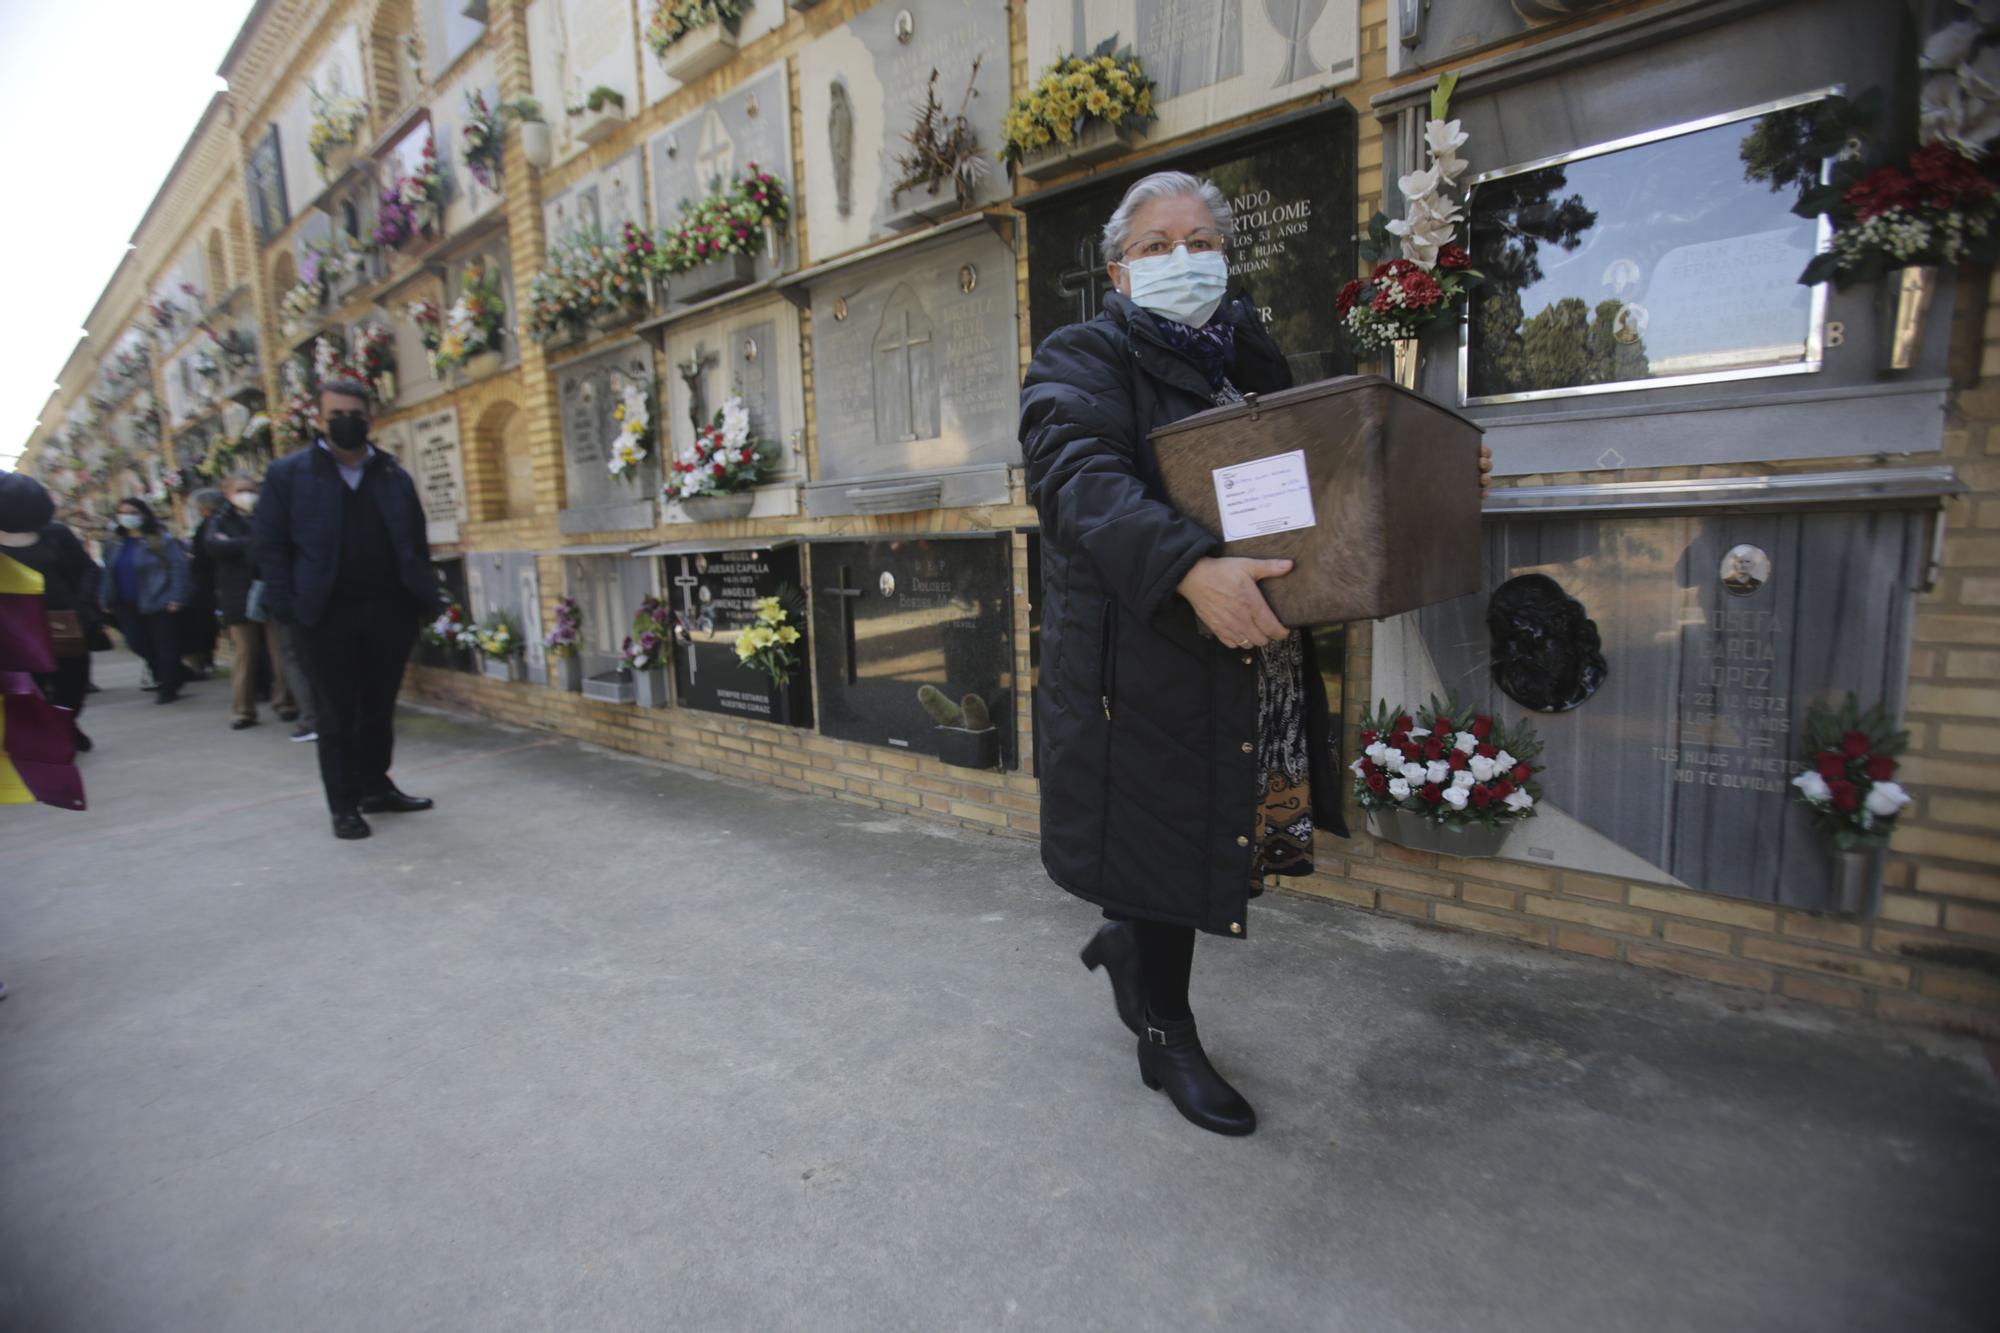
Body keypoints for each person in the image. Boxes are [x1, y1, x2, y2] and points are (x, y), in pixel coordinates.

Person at [1019, 172, 1493, 1136]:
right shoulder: (1084, 355)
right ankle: (1167, 1034)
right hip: (1144, 651)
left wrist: (1434, 465)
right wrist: (1191, 568)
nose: (1181, 258)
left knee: (1198, 829)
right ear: (1118, 269)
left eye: (1201, 241)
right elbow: (1079, 479)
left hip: (1247, 645)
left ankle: (1127, 944)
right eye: (1156, 245)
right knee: (1166, 835)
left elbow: (1329, 473)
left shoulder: (1255, 359)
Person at [253, 377, 441, 840]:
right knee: (335, 713)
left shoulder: (392, 475)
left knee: (377, 708)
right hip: (323, 614)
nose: (346, 423)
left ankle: (376, 786)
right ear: (318, 419)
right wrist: (288, 608)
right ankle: (343, 803)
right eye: (336, 415)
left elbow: (413, 541)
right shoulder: (289, 475)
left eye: (355, 415)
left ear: (370, 419)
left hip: (387, 611)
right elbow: (270, 546)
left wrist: (422, 597)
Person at [0, 473, 102, 751]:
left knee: (74, 681)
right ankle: (53, 731)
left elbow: (88, 569)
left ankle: (66, 721)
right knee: (29, 685)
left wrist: (83, 604)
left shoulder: (55, 534)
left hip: (63, 620)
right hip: (13, 628)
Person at [201, 476, 298, 730]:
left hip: (270, 590)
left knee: (280, 651)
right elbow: (215, 547)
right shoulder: (219, 520)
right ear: (228, 493)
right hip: (239, 595)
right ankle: (243, 709)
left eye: (250, 490)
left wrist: (241, 546)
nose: (246, 495)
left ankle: (286, 702)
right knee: (245, 653)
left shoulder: (268, 514)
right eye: (240, 490)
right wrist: (255, 544)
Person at [102, 497, 192, 705]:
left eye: (132, 512)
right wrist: (105, 597)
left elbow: (179, 567)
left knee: (164, 644)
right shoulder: (115, 543)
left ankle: (168, 685)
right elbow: (108, 572)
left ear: (143, 514)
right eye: (123, 513)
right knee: (137, 642)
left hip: (158, 600)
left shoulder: (160, 540)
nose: (128, 517)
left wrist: (177, 597)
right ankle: (177, 672)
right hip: (126, 603)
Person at [181, 490, 222, 679]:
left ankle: (204, 661)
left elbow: (203, 558)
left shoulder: (209, 525)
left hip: (211, 584)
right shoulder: (213, 524)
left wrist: (193, 560)